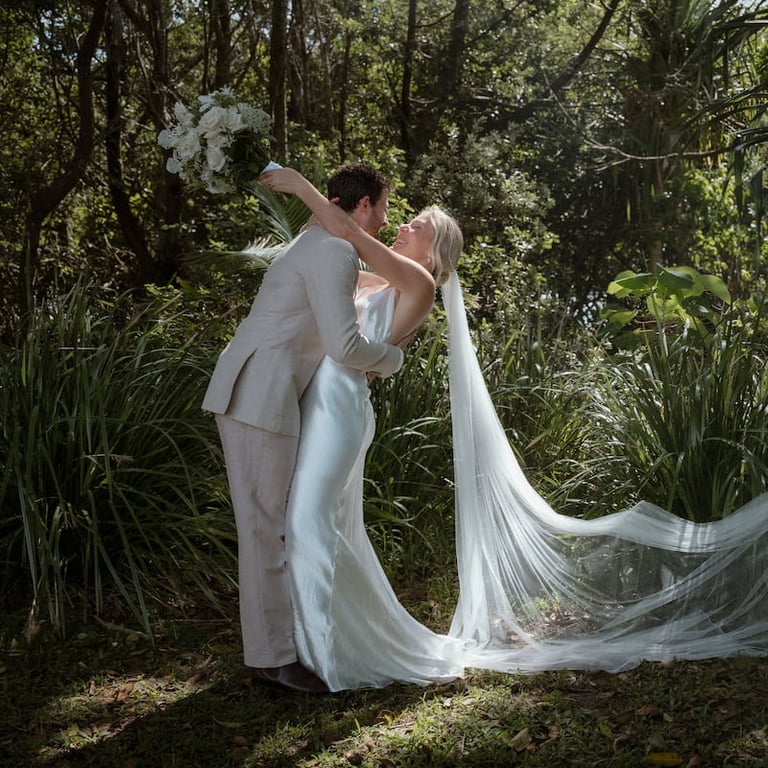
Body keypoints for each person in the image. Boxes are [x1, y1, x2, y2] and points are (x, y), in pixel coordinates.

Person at [263, 166, 768, 692]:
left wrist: (301, 186)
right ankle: (320, 641)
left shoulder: (415, 282)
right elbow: (321, 252)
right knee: (324, 526)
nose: (403, 225)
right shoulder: (380, 279)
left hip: (340, 412)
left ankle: (322, 658)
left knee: (308, 523)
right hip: (321, 404)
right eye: (403, 218)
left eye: (417, 225)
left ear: (435, 254)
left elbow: (345, 232)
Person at [202, 163, 405, 693]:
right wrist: (393, 359)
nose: (384, 219)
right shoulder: (334, 250)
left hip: (258, 389)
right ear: (361, 206)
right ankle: (271, 660)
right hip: (259, 394)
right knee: (265, 528)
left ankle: (278, 646)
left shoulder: (310, 241)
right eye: (382, 207)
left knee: (268, 523)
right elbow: (344, 346)